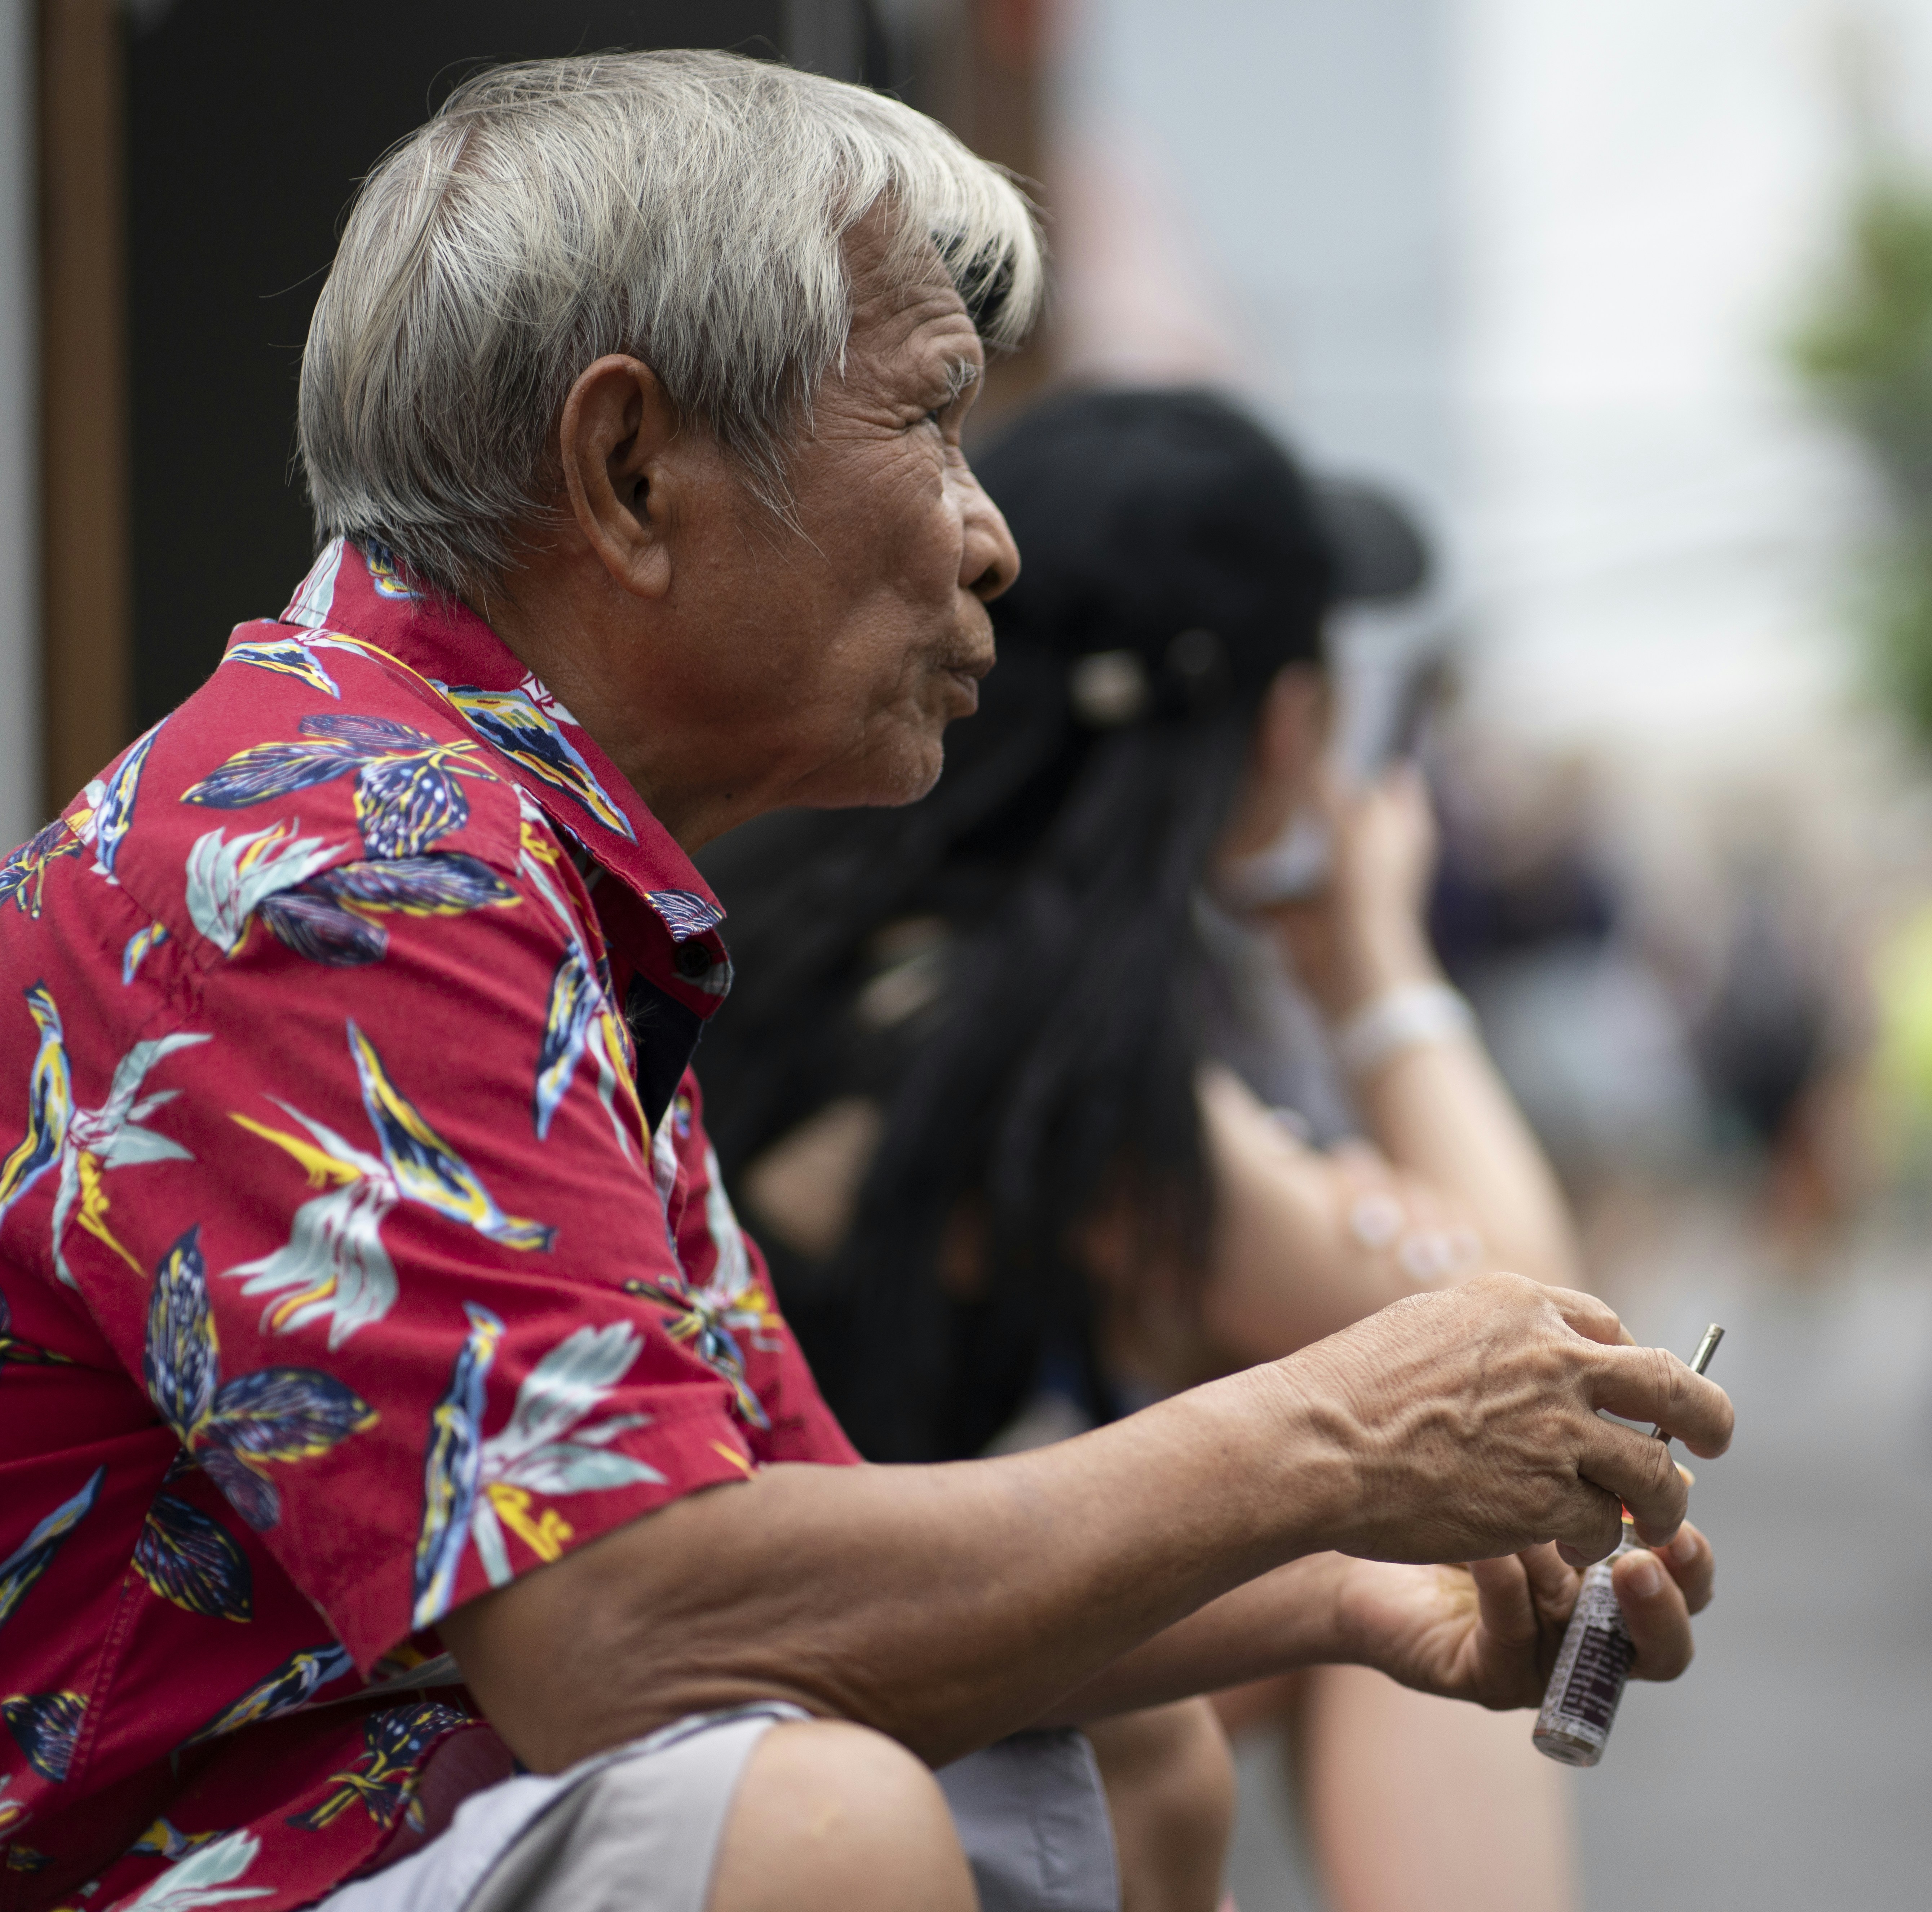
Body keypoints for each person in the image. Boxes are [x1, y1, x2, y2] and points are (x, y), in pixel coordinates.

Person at [0, 52, 1729, 1912]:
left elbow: (773, 1523)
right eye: (931, 421)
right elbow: (629, 1636)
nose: (990, 534)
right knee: (823, 1829)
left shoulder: (531, 873)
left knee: (1111, 1743)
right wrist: (1329, 1443)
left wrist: (1345, 1588)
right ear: (631, 470)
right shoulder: (336, 861)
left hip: (382, 1808)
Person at [692, 387, 1585, 1912]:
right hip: (823, 1719)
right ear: (1286, 721)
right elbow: (1522, 1337)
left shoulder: (833, 928)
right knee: (1431, 1554)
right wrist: (1373, 966)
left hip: (798, 1676)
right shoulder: (1031, 1047)